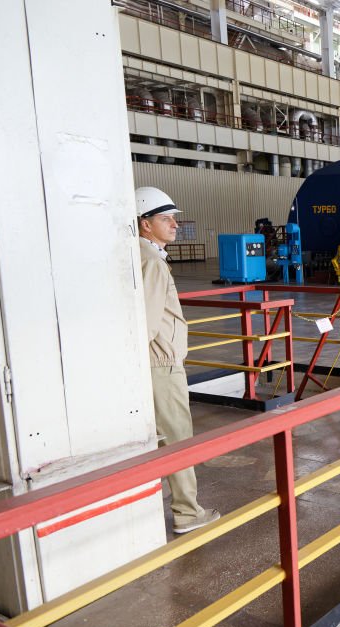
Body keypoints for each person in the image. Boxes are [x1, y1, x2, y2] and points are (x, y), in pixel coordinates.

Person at [136, 186, 220, 534]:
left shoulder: (142, 256)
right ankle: (188, 513)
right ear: (145, 224)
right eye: (165, 218)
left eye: (174, 218)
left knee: (158, 438)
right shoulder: (152, 263)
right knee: (178, 437)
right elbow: (149, 322)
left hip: (152, 367)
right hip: (162, 367)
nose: (174, 224)